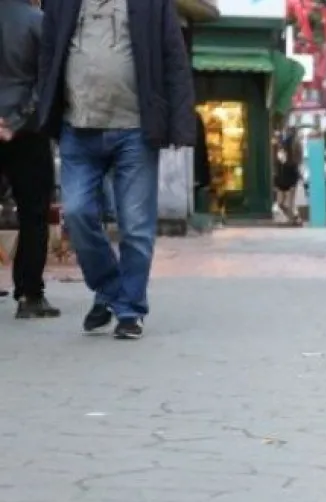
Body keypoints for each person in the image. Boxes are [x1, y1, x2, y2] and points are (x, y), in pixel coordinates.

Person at [39, 0, 195, 339]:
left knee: (136, 227)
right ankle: (111, 288)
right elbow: (48, 54)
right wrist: (43, 111)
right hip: (77, 127)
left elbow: (174, 61)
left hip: (135, 130)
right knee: (77, 213)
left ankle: (130, 309)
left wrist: (180, 125)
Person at [0, 0, 59, 318]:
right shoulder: (38, 22)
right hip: (26, 132)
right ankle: (30, 294)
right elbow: (45, 82)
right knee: (33, 214)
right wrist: (16, 121)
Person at [273, 147, 302, 224]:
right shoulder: (278, 164)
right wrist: (276, 185)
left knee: (290, 204)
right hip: (281, 186)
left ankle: (293, 219)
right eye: (279, 153)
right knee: (280, 203)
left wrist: (293, 185)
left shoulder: (291, 164)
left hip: (290, 185)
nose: (280, 155)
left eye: (282, 153)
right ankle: (292, 217)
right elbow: (276, 175)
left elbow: (295, 175)